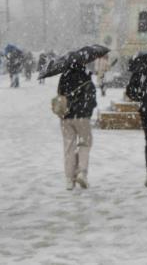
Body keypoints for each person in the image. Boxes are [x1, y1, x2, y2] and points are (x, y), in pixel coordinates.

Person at [57, 52, 98, 191]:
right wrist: (88, 110)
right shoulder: (86, 76)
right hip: (83, 117)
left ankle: (69, 179)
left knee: (69, 147)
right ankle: (82, 172)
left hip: (66, 117)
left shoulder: (64, 76)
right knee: (84, 144)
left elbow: (60, 96)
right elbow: (92, 98)